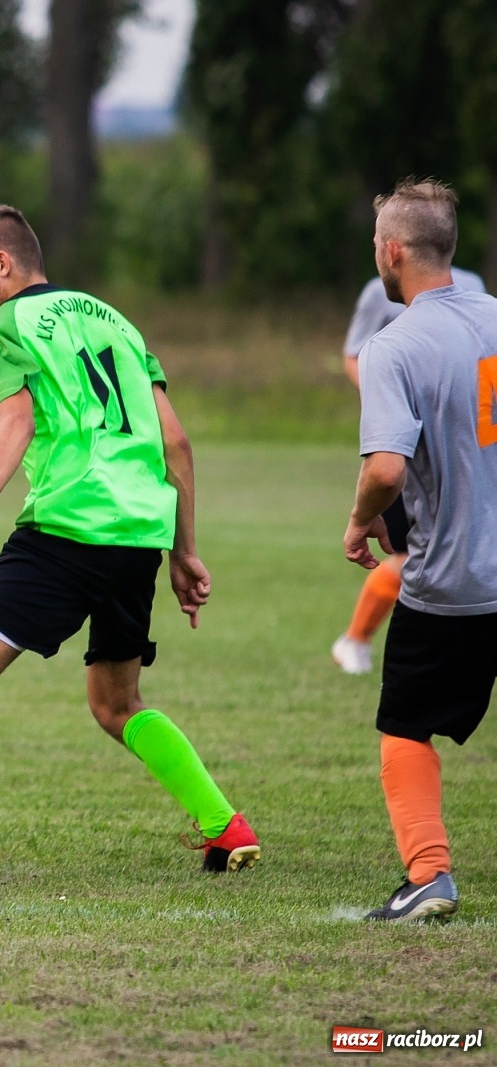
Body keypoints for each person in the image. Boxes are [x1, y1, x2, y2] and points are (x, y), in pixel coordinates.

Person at [0, 206, 260, 885]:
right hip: (138, 535)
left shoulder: (5, 326)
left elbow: (15, 421)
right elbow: (177, 444)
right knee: (115, 702)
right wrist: (183, 549)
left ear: (3, 264)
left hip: (68, 527)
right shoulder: (118, 322)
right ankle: (227, 827)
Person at [343, 179, 497, 921]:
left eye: (378, 242)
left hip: (454, 580)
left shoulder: (394, 345)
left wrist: (359, 518)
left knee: (404, 722)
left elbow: (386, 468)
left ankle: (429, 873)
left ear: (393, 251)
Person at [331, 264, 486, 674]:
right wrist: (393, 402)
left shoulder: (474, 290)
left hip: (471, 446)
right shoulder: (376, 293)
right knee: (411, 555)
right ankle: (355, 638)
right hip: (409, 449)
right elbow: (353, 357)